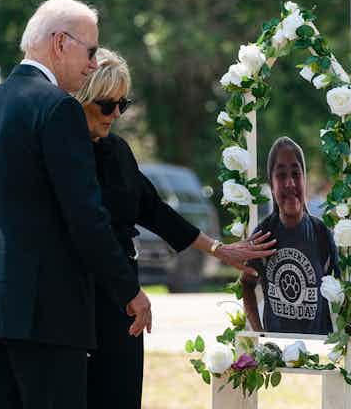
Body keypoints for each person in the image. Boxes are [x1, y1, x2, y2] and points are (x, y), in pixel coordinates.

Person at [0, 0, 151, 408]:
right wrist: (128, 289)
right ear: (61, 43)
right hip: (48, 312)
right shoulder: (58, 108)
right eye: (91, 50)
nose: (94, 64)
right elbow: (85, 216)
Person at [73, 48, 276, 408]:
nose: (116, 114)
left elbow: (154, 210)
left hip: (121, 298)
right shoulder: (67, 152)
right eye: (107, 105)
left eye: (123, 104)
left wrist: (219, 249)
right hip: (79, 292)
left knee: (120, 394)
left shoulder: (118, 150)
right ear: (82, 98)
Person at [241, 137, 340, 334]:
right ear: (271, 183)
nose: (289, 183)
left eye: (296, 173)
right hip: (277, 351)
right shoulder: (263, 234)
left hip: (316, 351)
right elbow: (246, 284)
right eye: (281, 175)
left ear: (304, 178)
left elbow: (341, 288)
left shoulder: (321, 233)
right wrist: (260, 332)